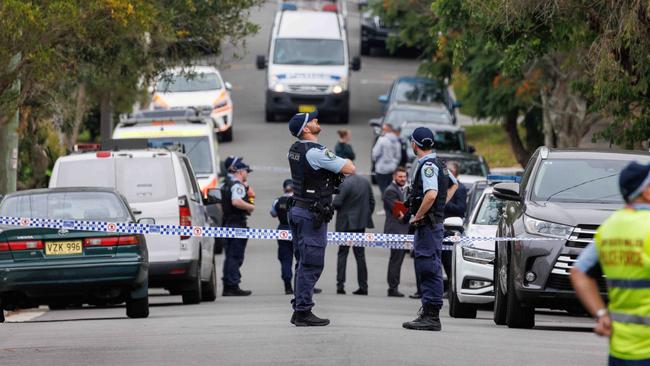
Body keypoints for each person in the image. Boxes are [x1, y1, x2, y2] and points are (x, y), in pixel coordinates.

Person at [570, 162, 650, 366]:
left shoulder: (609, 228)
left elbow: (578, 272)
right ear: (646, 192)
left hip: (619, 351)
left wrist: (600, 314)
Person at [287, 110, 355, 327]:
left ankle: (299, 306)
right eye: (313, 121)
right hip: (311, 214)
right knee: (312, 263)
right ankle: (303, 311)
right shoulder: (316, 152)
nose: (317, 121)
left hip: (299, 209)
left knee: (302, 262)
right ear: (306, 129)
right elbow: (349, 168)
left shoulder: (295, 149)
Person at [402, 127, 458, 331]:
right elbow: (454, 185)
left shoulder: (428, 166)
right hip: (433, 223)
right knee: (428, 266)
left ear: (415, 144)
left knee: (428, 267)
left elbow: (432, 194)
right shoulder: (439, 163)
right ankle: (428, 312)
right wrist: (439, 208)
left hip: (427, 226)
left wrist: (419, 215)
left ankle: (431, 315)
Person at [333, 169, 375, 295]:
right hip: (360, 224)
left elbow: (337, 202)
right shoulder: (365, 182)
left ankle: (340, 285)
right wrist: (364, 216)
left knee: (342, 254)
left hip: (345, 223)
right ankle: (363, 286)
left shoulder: (344, 183)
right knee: (360, 255)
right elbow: (372, 202)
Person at [220, 160, 255, 296]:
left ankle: (228, 285)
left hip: (227, 223)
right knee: (235, 256)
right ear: (240, 172)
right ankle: (233, 285)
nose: (247, 174)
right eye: (246, 171)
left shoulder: (224, 184)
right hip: (237, 224)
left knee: (229, 256)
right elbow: (236, 201)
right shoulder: (237, 186)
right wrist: (250, 207)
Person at [384, 166, 411, 297]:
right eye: (400, 176)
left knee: (397, 259)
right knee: (396, 259)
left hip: (402, 230)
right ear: (394, 177)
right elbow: (398, 210)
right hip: (396, 230)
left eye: (404, 176)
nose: (403, 179)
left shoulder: (403, 189)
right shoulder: (390, 191)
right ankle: (392, 288)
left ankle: (393, 286)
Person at [442, 160, 468, 292]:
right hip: (440, 227)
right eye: (447, 171)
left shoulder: (460, 188)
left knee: (449, 261)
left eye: (451, 171)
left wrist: (445, 203)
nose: (448, 174)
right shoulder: (443, 186)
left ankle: (451, 289)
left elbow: (461, 208)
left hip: (452, 229)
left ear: (456, 173)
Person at [270, 179, 296, 295]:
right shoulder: (299, 200)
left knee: (285, 260)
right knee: (302, 259)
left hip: (283, 231)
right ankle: (304, 285)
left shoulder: (278, 200)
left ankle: (288, 286)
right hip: (297, 231)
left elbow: (273, 213)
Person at [372, 122, 402, 194]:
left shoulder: (381, 140)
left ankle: (386, 199)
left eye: (383, 129)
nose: (382, 130)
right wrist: (394, 163)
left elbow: (375, 153)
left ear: (388, 129)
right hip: (392, 168)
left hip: (381, 168)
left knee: (383, 187)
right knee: (390, 186)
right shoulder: (397, 141)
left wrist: (375, 161)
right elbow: (398, 156)